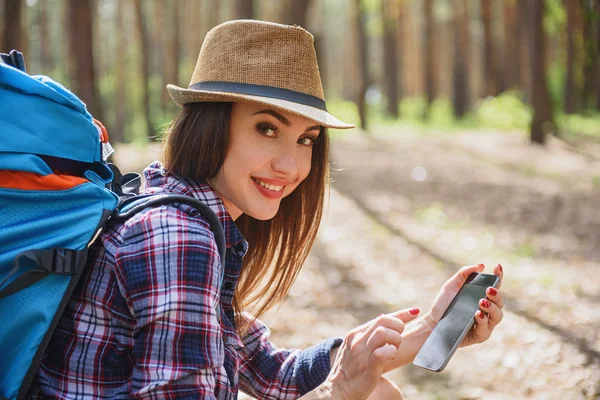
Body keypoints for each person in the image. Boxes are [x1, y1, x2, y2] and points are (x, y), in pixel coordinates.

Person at [32, 20, 504, 400]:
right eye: (266, 128)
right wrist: (340, 394)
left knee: (379, 391)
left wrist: (427, 330)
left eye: (305, 140)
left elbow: (273, 374)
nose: (292, 165)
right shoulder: (177, 236)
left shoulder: (176, 208)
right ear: (210, 125)